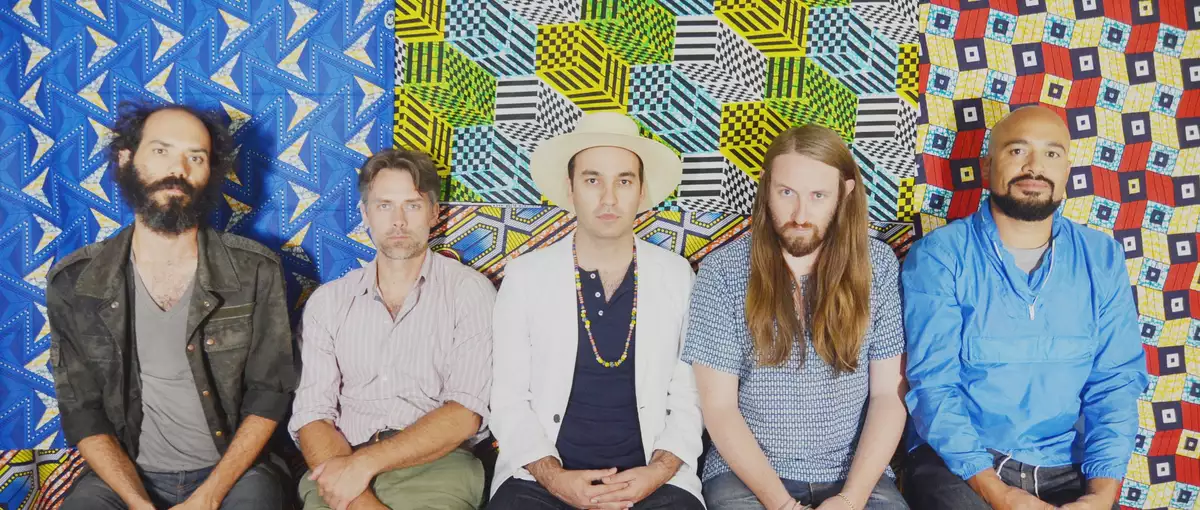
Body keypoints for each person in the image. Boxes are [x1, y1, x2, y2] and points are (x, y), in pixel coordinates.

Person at [48, 102, 295, 510]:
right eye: (161, 150)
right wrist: (138, 502)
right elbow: (82, 411)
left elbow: (270, 393)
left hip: (233, 473)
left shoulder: (255, 270)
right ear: (126, 159)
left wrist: (209, 497)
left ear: (210, 173)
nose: (178, 169)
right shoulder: (76, 282)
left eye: (195, 157)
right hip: (124, 476)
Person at [901, 106, 1148, 510]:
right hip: (963, 463)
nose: (1035, 167)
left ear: (1066, 173)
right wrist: (998, 494)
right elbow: (934, 387)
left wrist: (1101, 496)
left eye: (1051, 154)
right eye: (1017, 151)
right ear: (986, 168)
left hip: (1067, 464)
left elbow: (1115, 384)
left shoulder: (1101, 257)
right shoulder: (940, 255)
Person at [683, 124, 909, 510]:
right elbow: (719, 407)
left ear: (845, 192)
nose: (800, 215)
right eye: (786, 193)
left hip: (855, 476)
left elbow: (887, 396)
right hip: (747, 476)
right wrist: (782, 504)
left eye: (818, 196)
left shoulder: (878, 265)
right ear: (766, 187)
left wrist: (851, 499)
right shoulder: (722, 271)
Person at [487, 112, 705, 510]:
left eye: (624, 181)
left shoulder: (676, 276)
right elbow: (508, 399)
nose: (609, 198)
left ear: (641, 191)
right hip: (541, 483)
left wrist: (656, 473)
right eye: (592, 180)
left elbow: (690, 396)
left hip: (652, 483)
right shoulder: (526, 276)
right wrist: (555, 479)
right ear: (570, 188)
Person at [289, 149, 496, 510]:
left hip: (439, 466)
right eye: (384, 205)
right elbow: (312, 416)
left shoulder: (469, 292)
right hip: (338, 466)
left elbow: (465, 414)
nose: (398, 221)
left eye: (412, 205)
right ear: (365, 213)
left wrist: (365, 465)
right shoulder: (328, 302)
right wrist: (358, 496)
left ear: (434, 212)